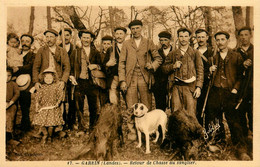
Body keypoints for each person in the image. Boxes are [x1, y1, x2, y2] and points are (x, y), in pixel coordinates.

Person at [206, 31, 250, 160]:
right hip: (215, 91)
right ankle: (218, 142)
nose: (220, 42)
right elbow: (206, 76)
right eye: (217, 40)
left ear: (227, 41)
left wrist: (235, 89)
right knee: (214, 118)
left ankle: (241, 149)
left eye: (222, 39)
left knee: (234, 121)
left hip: (230, 92)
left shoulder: (236, 56)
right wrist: (209, 72)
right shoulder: (212, 57)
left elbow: (241, 77)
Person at [118, 20, 162, 140]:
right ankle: (132, 131)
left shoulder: (148, 42)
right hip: (130, 78)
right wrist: (122, 80)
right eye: (133, 29)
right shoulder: (126, 44)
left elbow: (158, 58)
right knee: (131, 105)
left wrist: (152, 66)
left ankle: (147, 130)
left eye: (137, 28)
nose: (135, 30)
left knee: (145, 105)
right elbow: (121, 63)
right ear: (130, 31)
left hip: (145, 77)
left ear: (142, 28)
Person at [33, 28, 70, 137]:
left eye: (51, 37)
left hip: (58, 81)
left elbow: (67, 67)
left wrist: (63, 81)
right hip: (45, 82)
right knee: (43, 104)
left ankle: (58, 128)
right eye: (47, 37)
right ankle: (42, 128)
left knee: (59, 104)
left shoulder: (62, 51)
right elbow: (36, 67)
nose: (49, 39)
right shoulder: (41, 50)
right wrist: (36, 81)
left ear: (56, 38)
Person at [162, 27, 204, 117]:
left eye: (186, 36)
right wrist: (173, 66)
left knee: (191, 114)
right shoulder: (172, 54)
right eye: (181, 36)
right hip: (176, 88)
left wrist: (198, 87)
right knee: (176, 114)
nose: (183, 39)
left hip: (190, 88)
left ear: (189, 38)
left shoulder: (195, 53)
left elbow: (200, 71)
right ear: (178, 37)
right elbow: (164, 69)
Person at [69, 29, 103, 131]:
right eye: (84, 37)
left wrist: (96, 66)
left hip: (92, 83)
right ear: (81, 38)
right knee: (79, 106)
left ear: (91, 39)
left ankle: (92, 127)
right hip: (79, 82)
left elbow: (102, 66)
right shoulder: (75, 52)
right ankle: (81, 126)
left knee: (93, 106)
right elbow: (70, 67)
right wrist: (72, 77)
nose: (86, 40)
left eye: (88, 38)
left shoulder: (96, 52)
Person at [32, 68, 65, 144]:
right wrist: (37, 105)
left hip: (53, 107)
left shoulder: (56, 87)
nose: (48, 79)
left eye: (50, 78)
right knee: (41, 122)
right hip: (43, 108)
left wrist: (57, 103)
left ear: (53, 78)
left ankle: (50, 136)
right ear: (43, 78)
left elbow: (60, 95)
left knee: (51, 124)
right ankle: (45, 134)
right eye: (46, 78)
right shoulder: (42, 87)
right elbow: (37, 97)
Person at [236, 27, 253, 158]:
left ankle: (253, 145)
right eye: (241, 35)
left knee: (254, 117)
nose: (243, 37)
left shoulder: (255, 51)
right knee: (240, 117)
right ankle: (243, 148)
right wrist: (243, 65)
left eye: (246, 35)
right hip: (240, 91)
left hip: (253, 90)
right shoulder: (236, 52)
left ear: (250, 35)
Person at [12, 34, 35, 132]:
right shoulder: (16, 53)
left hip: (26, 83)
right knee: (13, 104)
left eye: (27, 41)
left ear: (31, 43)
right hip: (14, 82)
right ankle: (11, 126)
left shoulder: (33, 55)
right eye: (23, 41)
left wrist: (18, 68)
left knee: (25, 105)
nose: (25, 43)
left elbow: (30, 67)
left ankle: (25, 126)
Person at [103, 27, 127, 104]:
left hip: (127, 77)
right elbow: (104, 65)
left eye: (121, 34)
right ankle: (117, 115)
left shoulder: (129, 47)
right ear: (114, 35)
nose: (119, 36)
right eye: (117, 34)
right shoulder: (110, 49)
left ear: (125, 35)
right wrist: (107, 64)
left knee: (129, 100)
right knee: (114, 100)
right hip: (114, 78)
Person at [194, 28, 214, 125]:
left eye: (203, 37)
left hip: (210, 85)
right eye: (198, 37)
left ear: (207, 38)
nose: (201, 39)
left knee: (210, 111)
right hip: (197, 85)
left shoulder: (213, 52)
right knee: (198, 110)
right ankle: (200, 133)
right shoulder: (193, 52)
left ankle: (210, 134)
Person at [59, 28, 76, 130]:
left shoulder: (75, 49)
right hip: (61, 78)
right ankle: (62, 121)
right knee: (62, 101)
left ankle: (71, 121)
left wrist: (72, 75)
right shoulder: (57, 48)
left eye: (67, 35)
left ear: (71, 36)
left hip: (73, 78)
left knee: (72, 100)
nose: (65, 37)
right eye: (63, 35)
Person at [153, 31, 173, 111]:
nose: (163, 42)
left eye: (165, 40)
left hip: (172, 82)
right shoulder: (157, 52)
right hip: (160, 83)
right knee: (160, 106)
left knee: (173, 104)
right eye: (161, 40)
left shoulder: (175, 51)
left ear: (170, 40)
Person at [6, 67, 20, 144]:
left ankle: (10, 136)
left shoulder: (13, 84)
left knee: (10, 116)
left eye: (9, 76)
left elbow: (17, 94)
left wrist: (11, 102)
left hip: (10, 104)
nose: (6, 78)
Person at [98, 35, 113, 106]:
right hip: (102, 81)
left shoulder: (113, 55)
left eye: (108, 44)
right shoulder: (99, 55)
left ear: (111, 44)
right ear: (102, 44)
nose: (106, 46)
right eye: (104, 44)